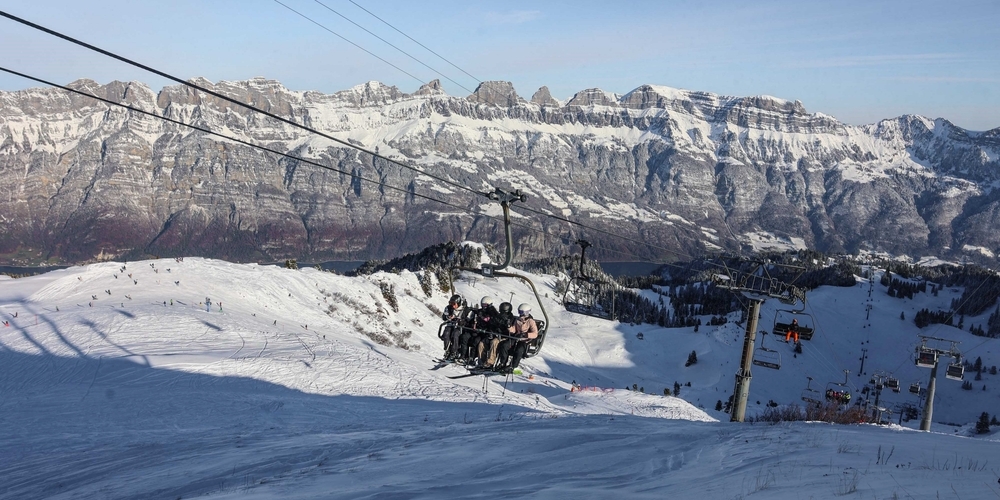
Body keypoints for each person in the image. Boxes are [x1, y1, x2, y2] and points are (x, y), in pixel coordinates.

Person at [496, 303, 539, 374]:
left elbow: (535, 334)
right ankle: (503, 363)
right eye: (519, 312)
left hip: (524, 340)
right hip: (516, 338)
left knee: (519, 350)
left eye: (521, 312)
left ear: (526, 312)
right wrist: (509, 327)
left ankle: (513, 366)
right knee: (504, 345)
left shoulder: (530, 321)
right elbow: (514, 330)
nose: (520, 314)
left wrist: (525, 334)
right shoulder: (518, 320)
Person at [457, 297, 499, 364]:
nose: (483, 307)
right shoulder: (479, 312)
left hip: (483, 333)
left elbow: (493, 324)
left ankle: (472, 358)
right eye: (482, 305)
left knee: (476, 341)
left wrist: (486, 329)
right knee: (464, 337)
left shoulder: (493, 314)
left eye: (485, 305)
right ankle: (463, 356)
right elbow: (470, 320)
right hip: (475, 330)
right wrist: (468, 323)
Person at [476, 302, 514, 369]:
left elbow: (510, 330)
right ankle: (481, 362)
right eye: (501, 311)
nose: (502, 313)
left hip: (503, 337)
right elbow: (492, 324)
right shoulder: (497, 317)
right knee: (482, 343)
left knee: (494, 342)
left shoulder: (511, 319)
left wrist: (505, 326)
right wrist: (491, 331)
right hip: (494, 335)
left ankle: (490, 362)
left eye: (504, 312)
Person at [440, 294, 465, 359]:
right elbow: (444, 316)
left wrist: (459, 320)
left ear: (458, 303)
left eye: (454, 304)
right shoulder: (448, 308)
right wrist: (448, 317)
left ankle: (454, 352)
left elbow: (464, 320)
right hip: (450, 325)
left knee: (455, 334)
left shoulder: (462, 309)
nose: (452, 305)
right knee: (446, 333)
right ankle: (447, 350)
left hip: (459, 327)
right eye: (451, 303)